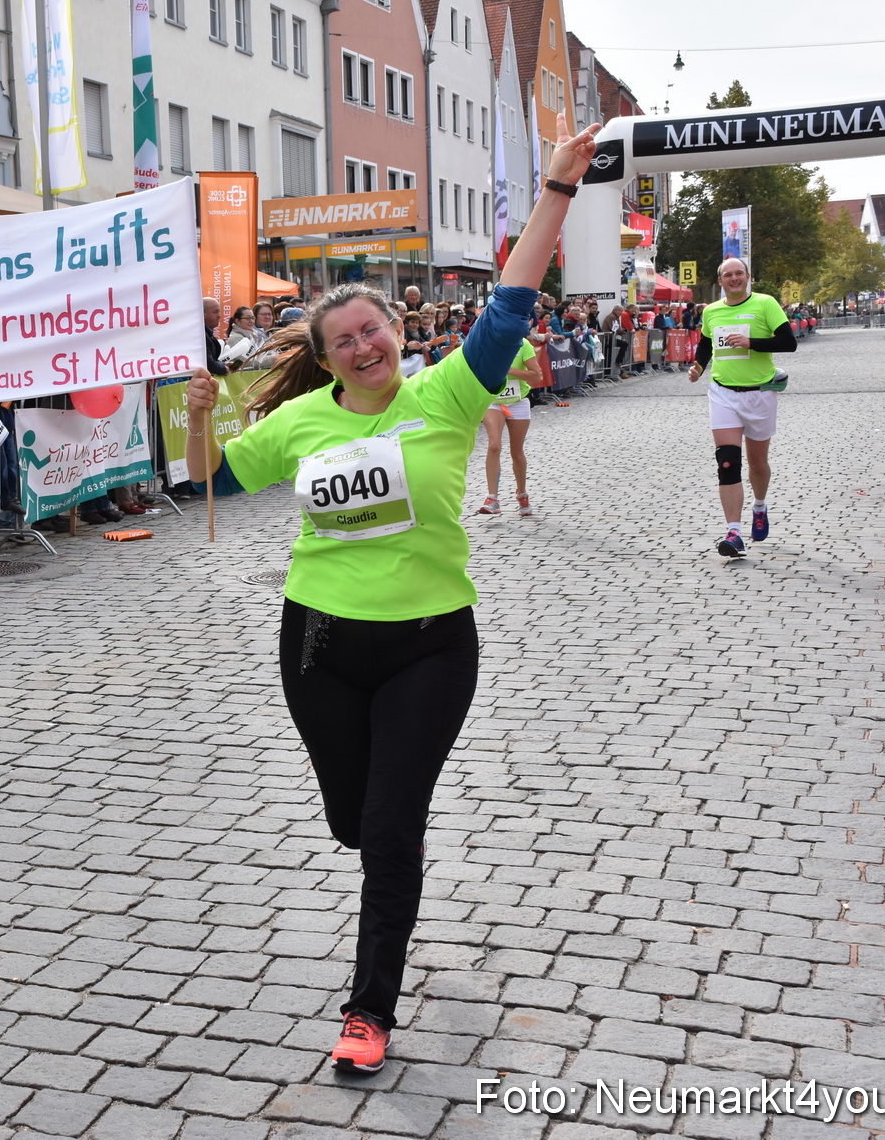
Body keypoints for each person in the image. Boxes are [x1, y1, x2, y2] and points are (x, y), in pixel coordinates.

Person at [180, 114, 601, 1075]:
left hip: (428, 645)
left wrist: (558, 190)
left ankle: (370, 1009)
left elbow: (513, 299)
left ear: (397, 334)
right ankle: (378, 847)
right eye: (345, 340)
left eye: (373, 329)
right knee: (350, 821)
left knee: (387, 830)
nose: (364, 345)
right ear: (325, 359)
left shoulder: (447, 396)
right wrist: (198, 420)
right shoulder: (298, 425)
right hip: (320, 646)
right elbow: (204, 478)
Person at [688, 256, 796, 556]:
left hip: (760, 393)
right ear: (720, 281)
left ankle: (759, 507)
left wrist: (752, 343)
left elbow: (789, 342)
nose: (734, 279)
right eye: (727, 275)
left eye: (739, 274)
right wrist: (697, 367)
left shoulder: (765, 304)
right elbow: (706, 344)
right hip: (723, 393)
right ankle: (733, 532)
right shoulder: (711, 311)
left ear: (748, 277)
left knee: (757, 464)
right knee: (727, 463)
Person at [475, 321, 541, 516]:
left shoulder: (523, 345)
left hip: (517, 402)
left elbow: (536, 376)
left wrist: (509, 370)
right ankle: (492, 498)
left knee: (517, 452)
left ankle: (522, 494)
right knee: (494, 445)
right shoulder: (487, 345)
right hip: (493, 402)